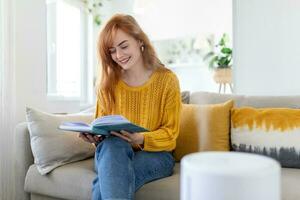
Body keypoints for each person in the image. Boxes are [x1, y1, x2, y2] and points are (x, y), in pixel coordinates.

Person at [79, 13, 181, 200]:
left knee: (109, 179)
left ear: (139, 40)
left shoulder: (167, 80)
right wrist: (95, 137)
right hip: (111, 151)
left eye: (124, 46)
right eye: (112, 51)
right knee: (112, 150)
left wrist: (140, 138)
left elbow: (170, 135)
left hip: (155, 155)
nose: (119, 55)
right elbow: (102, 129)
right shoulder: (106, 84)